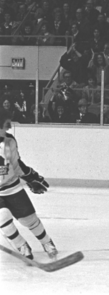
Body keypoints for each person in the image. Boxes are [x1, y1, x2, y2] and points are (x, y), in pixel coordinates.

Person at [0, 109, 57, 260]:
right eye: (6, 125)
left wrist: (32, 178)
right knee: (2, 217)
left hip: (12, 187)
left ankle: (46, 242)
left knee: (28, 219)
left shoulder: (9, 141)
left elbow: (16, 165)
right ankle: (21, 245)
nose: (8, 128)